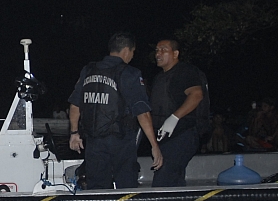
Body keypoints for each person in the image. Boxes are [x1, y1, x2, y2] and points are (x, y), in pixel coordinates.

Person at [68, 32, 163, 189]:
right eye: (133, 52)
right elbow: (143, 113)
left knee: (97, 189)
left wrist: (74, 133)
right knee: (126, 186)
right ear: (126, 50)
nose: (132, 56)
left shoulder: (88, 70)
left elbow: (75, 105)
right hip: (121, 141)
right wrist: (154, 145)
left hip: (93, 141)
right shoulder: (130, 73)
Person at [150, 39, 208, 187]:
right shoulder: (159, 78)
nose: (158, 53)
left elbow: (196, 95)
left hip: (183, 134)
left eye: (164, 50)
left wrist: (174, 118)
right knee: (174, 180)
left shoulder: (185, 72)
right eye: (157, 50)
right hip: (165, 139)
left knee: (163, 181)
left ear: (175, 53)